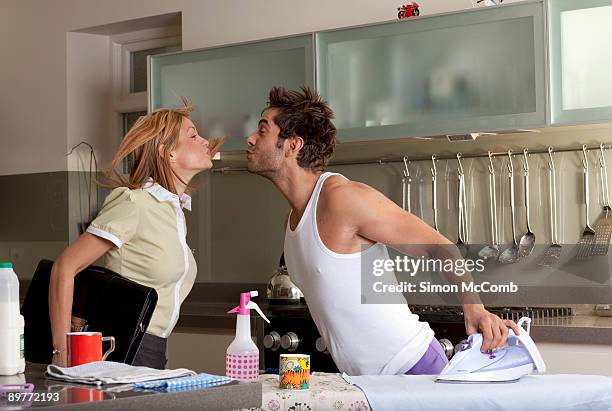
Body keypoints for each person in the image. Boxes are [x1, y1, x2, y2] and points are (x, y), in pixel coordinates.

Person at [246, 86, 521, 376]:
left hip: (412, 367)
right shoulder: (291, 221)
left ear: (293, 145)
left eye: (262, 130)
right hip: (366, 383)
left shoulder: (343, 198)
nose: (250, 139)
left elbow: (437, 246)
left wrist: (474, 308)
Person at [49, 101, 221, 368]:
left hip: (152, 350)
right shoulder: (134, 203)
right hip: (121, 350)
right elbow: (65, 267)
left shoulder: (172, 212)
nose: (205, 140)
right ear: (168, 153)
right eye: (193, 135)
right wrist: (62, 354)